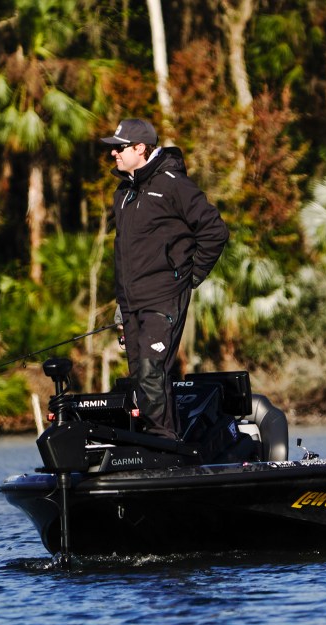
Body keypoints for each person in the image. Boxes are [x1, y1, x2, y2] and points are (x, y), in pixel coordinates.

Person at [102, 118, 229, 440]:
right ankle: (156, 442)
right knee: (139, 378)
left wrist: (191, 276)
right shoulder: (122, 193)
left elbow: (214, 231)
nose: (113, 153)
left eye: (119, 148)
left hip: (164, 297)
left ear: (140, 148)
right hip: (131, 303)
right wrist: (120, 305)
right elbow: (124, 254)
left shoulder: (173, 184)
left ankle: (164, 444)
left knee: (151, 372)